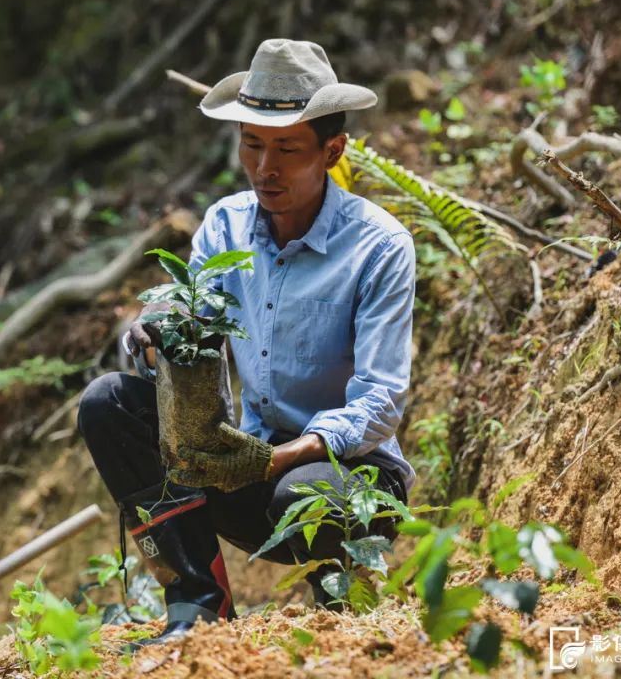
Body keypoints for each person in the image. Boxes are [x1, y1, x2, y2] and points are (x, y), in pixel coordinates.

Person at [77, 38, 418, 646]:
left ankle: (343, 606)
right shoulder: (225, 224)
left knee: (304, 491)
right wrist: (158, 328)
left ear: (332, 150)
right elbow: (193, 320)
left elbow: (382, 402)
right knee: (109, 402)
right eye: (252, 144)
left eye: (287, 149)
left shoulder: (380, 247)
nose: (266, 168)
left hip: (346, 475)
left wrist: (277, 459)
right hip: (245, 470)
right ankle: (198, 607)